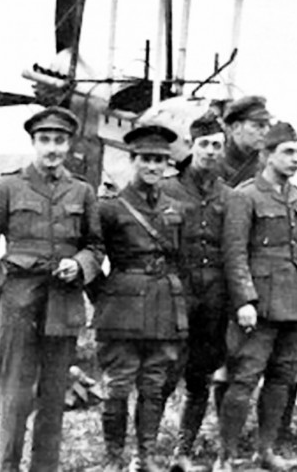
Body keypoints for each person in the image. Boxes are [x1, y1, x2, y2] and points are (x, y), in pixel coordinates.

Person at [0, 106, 105, 472]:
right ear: (33, 143)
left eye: (59, 140)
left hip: (63, 302)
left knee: (54, 394)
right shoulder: (7, 186)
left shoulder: (83, 191)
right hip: (19, 305)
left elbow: (95, 246)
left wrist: (80, 265)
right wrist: (6, 289)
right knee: (15, 393)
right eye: (45, 140)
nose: (52, 148)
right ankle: (8, 467)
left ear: (69, 144)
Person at [215, 122, 297, 471]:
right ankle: (226, 456)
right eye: (287, 152)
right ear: (267, 155)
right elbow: (234, 254)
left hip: (296, 304)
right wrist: (244, 300)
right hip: (259, 306)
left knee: (282, 377)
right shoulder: (244, 196)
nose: (295, 160)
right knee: (244, 379)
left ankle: (266, 451)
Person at [93, 125, 189, 471]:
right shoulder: (110, 208)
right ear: (132, 160)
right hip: (121, 310)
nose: (153, 167)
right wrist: (104, 296)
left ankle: (145, 456)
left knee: (154, 384)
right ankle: (114, 459)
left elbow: (181, 259)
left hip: (163, 306)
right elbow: (91, 254)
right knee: (118, 385)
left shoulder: (175, 209)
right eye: (146, 159)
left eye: (161, 161)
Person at [160, 115, 239, 469]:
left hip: (214, 298)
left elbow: (234, 249)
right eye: (204, 144)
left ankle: (183, 451)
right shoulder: (166, 190)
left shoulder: (229, 195)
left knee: (201, 374)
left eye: (216, 145)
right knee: (164, 374)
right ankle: (142, 451)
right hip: (176, 292)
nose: (210, 151)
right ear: (191, 146)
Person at [220, 95, 272, 187]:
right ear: (236, 128)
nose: (266, 132)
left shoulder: (268, 162)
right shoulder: (214, 164)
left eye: (267, 125)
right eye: (258, 126)